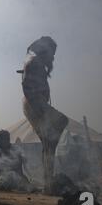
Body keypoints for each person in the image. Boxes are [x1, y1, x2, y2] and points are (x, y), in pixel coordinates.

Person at [20, 36, 68, 195]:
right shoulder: (34, 63)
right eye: (52, 52)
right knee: (61, 121)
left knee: (48, 144)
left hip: (35, 104)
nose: (53, 56)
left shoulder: (37, 64)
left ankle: (49, 184)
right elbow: (26, 84)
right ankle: (49, 182)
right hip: (34, 103)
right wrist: (39, 108)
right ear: (43, 50)